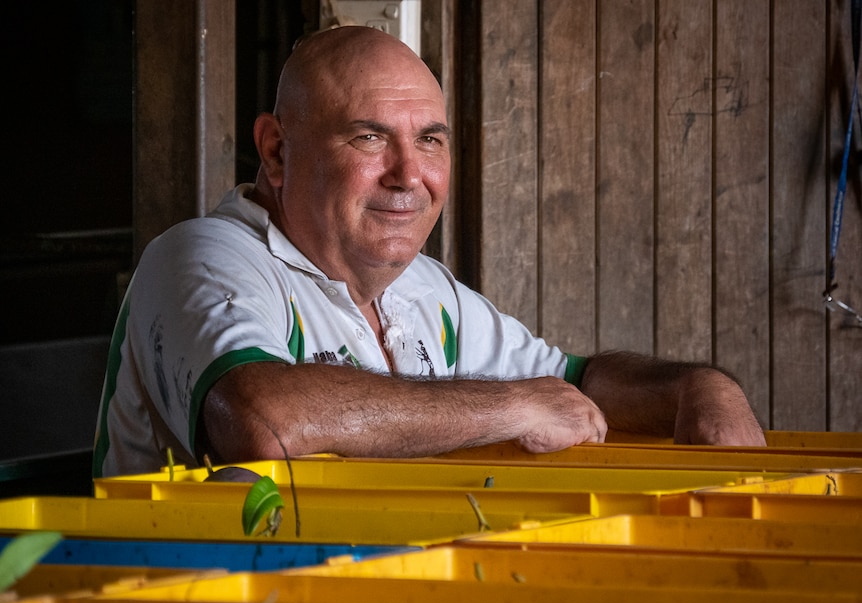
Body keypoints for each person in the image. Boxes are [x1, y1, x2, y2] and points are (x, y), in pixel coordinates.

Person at [93, 25, 765, 478]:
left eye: (432, 141)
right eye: (368, 138)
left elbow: (575, 383)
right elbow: (262, 422)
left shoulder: (423, 290)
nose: (409, 174)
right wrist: (507, 407)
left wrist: (697, 387)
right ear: (276, 150)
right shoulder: (206, 255)